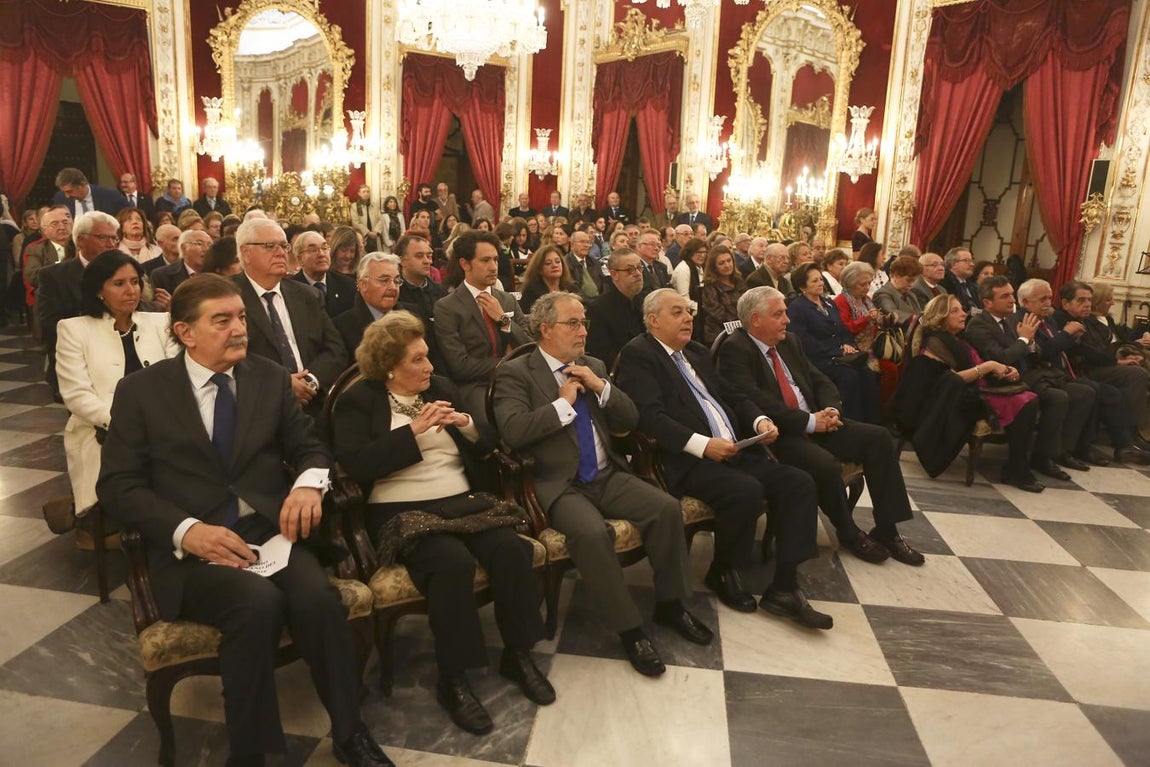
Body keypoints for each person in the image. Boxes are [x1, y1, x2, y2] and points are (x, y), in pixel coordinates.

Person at [96, 274, 393, 767]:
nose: (240, 329)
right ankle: (250, 750)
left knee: (318, 599)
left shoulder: (268, 376)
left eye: (240, 317)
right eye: (222, 320)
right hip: (191, 550)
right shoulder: (141, 392)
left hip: (266, 535)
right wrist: (188, 531)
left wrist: (306, 483)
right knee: (254, 604)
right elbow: (118, 486)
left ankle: (350, 731)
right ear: (186, 333)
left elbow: (309, 447)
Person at [333, 310, 551, 733]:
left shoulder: (443, 388)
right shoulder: (358, 401)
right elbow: (355, 465)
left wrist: (466, 424)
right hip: (402, 509)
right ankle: (454, 677)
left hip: (460, 499)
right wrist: (413, 430)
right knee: (452, 563)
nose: (429, 367)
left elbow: (489, 446)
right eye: (417, 360)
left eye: (427, 357)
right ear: (388, 365)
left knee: (510, 548)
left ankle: (517, 653)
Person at [494, 292, 712, 674]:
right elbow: (512, 432)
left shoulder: (592, 364)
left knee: (665, 508)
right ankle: (630, 630)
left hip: (606, 473)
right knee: (593, 534)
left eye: (584, 323)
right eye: (572, 324)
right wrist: (562, 405)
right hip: (558, 482)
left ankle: (671, 605)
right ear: (546, 329)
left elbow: (630, 418)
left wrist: (601, 386)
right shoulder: (518, 372)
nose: (582, 331)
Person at [615, 289, 831, 628]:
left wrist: (759, 420)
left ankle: (785, 586)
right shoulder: (638, 354)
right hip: (684, 459)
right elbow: (649, 417)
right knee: (744, 490)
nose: (688, 317)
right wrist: (703, 445)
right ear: (653, 320)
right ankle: (724, 570)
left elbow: (732, 394)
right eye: (677, 312)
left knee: (799, 482)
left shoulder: (697, 352)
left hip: (733, 449)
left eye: (688, 311)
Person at [717, 286, 928, 558]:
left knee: (879, 438)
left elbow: (819, 379)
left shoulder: (789, 341)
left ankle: (887, 529)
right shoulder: (735, 349)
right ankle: (848, 531)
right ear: (756, 319)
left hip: (818, 420)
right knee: (824, 465)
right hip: (780, 433)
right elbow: (755, 399)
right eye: (779, 314)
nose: (787, 319)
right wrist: (808, 422)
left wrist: (831, 409)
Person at [55, 250, 179, 537]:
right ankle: (145, 539)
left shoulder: (160, 322)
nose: (131, 290)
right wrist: (125, 423)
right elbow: (76, 395)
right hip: (102, 428)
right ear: (99, 289)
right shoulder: (74, 329)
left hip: (163, 423)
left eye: (135, 282)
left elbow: (177, 377)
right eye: (119, 283)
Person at [960, 276, 1093, 482]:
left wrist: (1028, 341)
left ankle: (1059, 452)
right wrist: (1024, 339)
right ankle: (1040, 458)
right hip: (999, 383)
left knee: (1084, 392)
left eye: (1011, 294)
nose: (1012, 300)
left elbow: (1034, 352)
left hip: (1024, 375)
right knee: (1058, 398)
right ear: (987, 303)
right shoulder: (979, 325)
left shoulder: (1009, 321)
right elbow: (1002, 357)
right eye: (1005, 296)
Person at [919, 294, 1044, 491]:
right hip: (961, 396)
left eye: (962, 309)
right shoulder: (935, 343)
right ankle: (1017, 468)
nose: (963, 314)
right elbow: (950, 380)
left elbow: (986, 362)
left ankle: (1017, 466)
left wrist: (1004, 371)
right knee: (1027, 402)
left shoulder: (961, 338)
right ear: (940, 316)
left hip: (984, 386)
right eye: (955, 311)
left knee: (1030, 398)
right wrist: (988, 367)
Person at [234, 218, 349, 413]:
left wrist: (309, 382)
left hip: (312, 404)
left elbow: (336, 350)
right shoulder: (228, 296)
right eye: (270, 246)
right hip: (256, 408)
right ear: (246, 253)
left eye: (284, 246)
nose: (281, 253)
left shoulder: (307, 295)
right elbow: (226, 358)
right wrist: (282, 385)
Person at [434, 231, 531, 419]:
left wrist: (504, 320)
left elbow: (529, 347)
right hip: (477, 386)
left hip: (518, 379)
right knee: (497, 419)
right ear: (465, 264)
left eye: (495, 260)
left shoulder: (507, 299)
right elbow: (460, 366)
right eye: (485, 261)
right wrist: (508, 364)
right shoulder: (447, 307)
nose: (493, 267)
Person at [1052, 281, 1150, 464]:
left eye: (1089, 300)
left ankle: (1126, 443)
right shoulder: (1059, 319)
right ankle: (1122, 443)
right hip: (1070, 372)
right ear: (1066, 303)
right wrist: (1116, 361)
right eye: (1081, 300)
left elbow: (1095, 348)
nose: (1087, 304)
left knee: (1111, 390)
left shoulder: (1084, 320)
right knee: (1106, 390)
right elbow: (1080, 351)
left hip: (1081, 370)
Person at [789, 262, 881, 425]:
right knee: (849, 376)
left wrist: (847, 344)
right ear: (803, 286)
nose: (820, 283)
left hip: (839, 355)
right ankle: (851, 422)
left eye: (820, 279)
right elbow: (802, 340)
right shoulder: (798, 307)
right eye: (814, 281)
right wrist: (836, 349)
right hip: (817, 358)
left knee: (867, 373)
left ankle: (871, 422)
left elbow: (842, 329)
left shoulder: (829, 303)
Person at [586, 249, 645, 366]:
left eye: (639, 267)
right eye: (630, 270)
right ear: (614, 274)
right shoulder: (599, 309)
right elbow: (602, 355)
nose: (637, 273)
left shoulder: (645, 301)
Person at [292, 230, 356, 318]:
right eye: (313, 250)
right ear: (300, 259)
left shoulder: (348, 284)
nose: (321, 254)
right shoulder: (290, 289)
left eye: (325, 248)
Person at [698, 244, 745, 344]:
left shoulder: (738, 280)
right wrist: (741, 322)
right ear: (714, 267)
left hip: (742, 329)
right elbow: (719, 315)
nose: (727, 265)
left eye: (729, 261)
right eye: (721, 263)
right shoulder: (709, 286)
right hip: (720, 333)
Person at [151, 228, 213, 295]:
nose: (206, 249)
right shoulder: (162, 276)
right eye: (199, 243)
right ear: (184, 248)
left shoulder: (218, 273)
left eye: (209, 245)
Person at [519, 244, 575, 314]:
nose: (555, 265)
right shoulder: (531, 291)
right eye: (548, 263)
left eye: (557, 262)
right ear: (539, 269)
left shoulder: (570, 287)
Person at [53, 167, 126, 217]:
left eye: (70, 191)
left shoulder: (112, 196)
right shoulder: (60, 198)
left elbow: (127, 217)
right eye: (64, 192)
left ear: (82, 184)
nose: (67, 196)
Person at [872, 255, 925, 324]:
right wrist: (918, 319)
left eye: (914, 281)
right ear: (895, 275)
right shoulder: (881, 294)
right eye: (908, 280)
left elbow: (920, 314)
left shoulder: (911, 295)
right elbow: (893, 314)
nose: (911, 285)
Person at [669, 237, 706, 317]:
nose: (702, 255)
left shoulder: (699, 267)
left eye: (704, 252)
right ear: (690, 253)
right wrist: (703, 307)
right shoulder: (684, 269)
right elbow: (684, 299)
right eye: (699, 252)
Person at [565, 228, 601, 299]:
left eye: (588, 242)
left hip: (599, 300)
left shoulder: (593, 261)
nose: (586, 245)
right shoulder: (566, 263)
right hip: (581, 302)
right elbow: (573, 289)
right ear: (572, 245)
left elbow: (603, 282)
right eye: (582, 242)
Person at [942, 247, 979, 313]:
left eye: (971, 260)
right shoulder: (945, 283)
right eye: (966, 260)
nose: (972, 264)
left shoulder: (972, 283)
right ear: (953, 264)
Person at [349, 185, 384, 253]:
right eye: (364, 192)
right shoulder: (354, 206)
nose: (366, 194)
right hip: (363, 236)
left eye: (368, 192)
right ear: (359, 193)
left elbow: (381, 220)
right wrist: (368, 232)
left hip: (375, 236)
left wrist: (376, 231)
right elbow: (355, 222)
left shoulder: (374, 205)